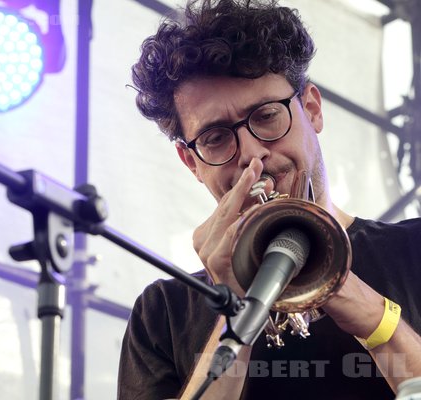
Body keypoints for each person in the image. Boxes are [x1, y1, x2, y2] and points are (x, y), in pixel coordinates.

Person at [117, 1, 421, 399]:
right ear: (191, 162)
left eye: (265, 116)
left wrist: (360, 303)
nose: (251, 154)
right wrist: (235, 311)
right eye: (215, 138)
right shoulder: (162, 313)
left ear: (311, 109)